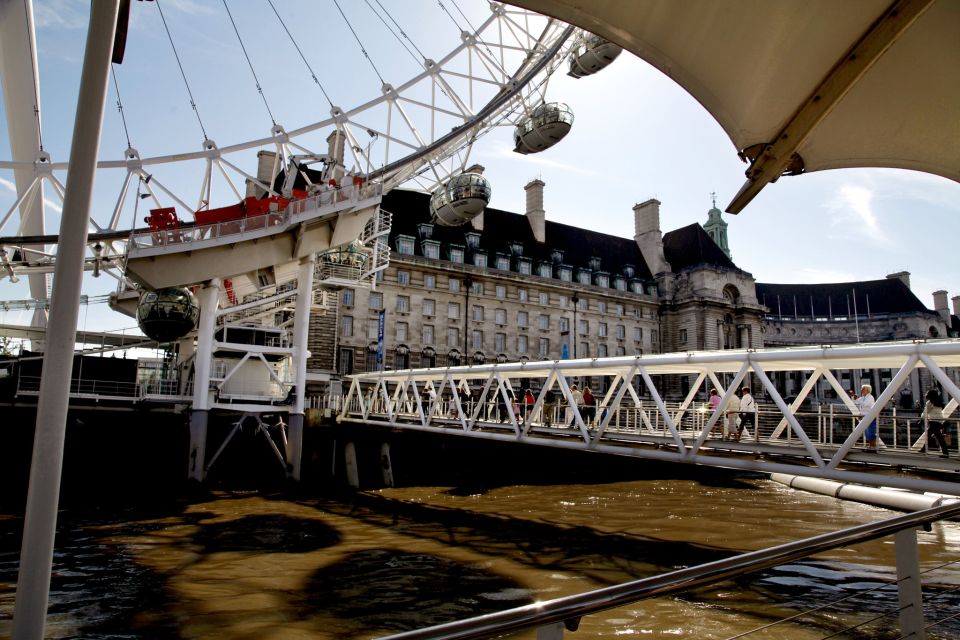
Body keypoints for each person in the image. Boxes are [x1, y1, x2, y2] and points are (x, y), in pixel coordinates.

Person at [921, 388, 950, 458]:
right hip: (939, 421)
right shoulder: (938, 402)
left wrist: (921, 419)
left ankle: (945, 453)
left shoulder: (929, 403)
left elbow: (925, 412)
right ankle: (924, 448)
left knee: (935, 436)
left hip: (933, 421)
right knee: (935, 436)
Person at [855, 384, 877, 451]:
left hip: (870, 417)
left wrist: (858, 400)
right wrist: (854, 397)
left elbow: (864, 404)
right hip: (865, 417)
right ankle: (871, 446)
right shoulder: (863, 397)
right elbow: (856, 402)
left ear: (867, 390)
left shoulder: (870, 397)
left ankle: (873, 447)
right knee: (867, 433)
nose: (861, 390)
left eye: (863, 389)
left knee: (870, 432)